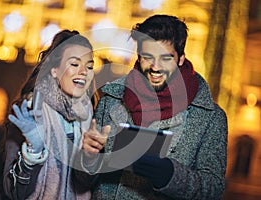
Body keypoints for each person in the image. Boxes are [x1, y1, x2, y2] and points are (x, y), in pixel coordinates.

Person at [80, 14, 228, 200]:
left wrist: (170, 175)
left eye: (166, 58)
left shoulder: (210, 118)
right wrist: (89, 158)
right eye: (148, 57)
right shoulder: (111, 100)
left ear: (181, 58)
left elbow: (214, 189)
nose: (156, 67)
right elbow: (85, 183)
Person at [0, 30, 110, 200]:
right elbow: (13, 192)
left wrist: (89, 157)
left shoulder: (88, 116)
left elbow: (84, 185)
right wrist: (33, 152)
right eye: (75, 64)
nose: (84, 71)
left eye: (90, 66)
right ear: (54, 70)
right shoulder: (30, 111)